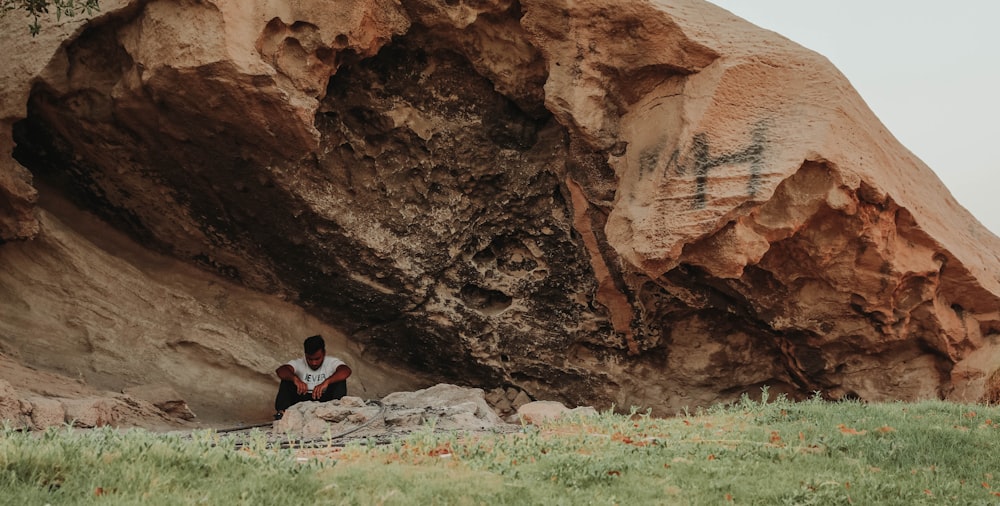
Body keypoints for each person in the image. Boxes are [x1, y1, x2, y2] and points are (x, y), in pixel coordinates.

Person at [273, 334, 352, 420]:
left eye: (317, 359)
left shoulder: (331, 362)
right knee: (287, 380)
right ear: (305, 355)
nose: (314, 363)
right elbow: (280, 371)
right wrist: (295, 379)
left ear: (324, 353)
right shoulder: (299, 363)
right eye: (310, 359)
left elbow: (346, 371)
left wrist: (327, 382)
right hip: (302, 398)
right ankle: (282, 413)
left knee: (340, 381)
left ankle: (335, 413)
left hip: (325, 400)